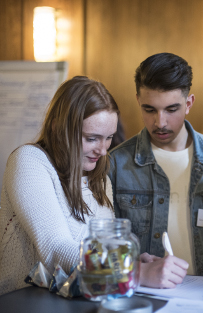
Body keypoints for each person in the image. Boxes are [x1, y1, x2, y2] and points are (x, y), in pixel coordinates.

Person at [108, 53, 203, 279]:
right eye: (149, 109)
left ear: (189, 104)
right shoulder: (116, 163)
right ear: (138, 101)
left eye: (171, 109)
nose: (160, 122)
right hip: (144, 294)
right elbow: (107, 245)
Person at [0, 76, 118, 295]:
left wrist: (134, 257)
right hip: (23, 303)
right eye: (92, 138)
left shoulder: (100, 177)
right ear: (58, 128)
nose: (102, 150)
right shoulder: (29, 160)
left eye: (108, 137)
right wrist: (128, 268)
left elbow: (104, 249)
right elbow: (55, 249)